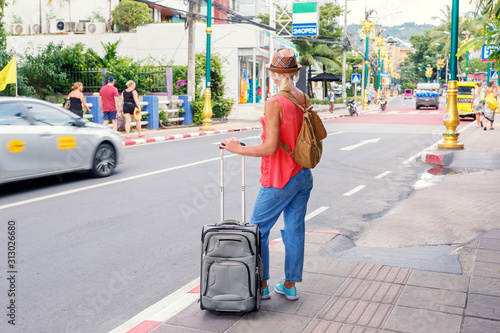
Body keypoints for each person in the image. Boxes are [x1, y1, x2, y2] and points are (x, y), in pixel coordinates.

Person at [220, 48, 313, 301]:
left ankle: (261, 286)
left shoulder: (274, 102)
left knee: (257, 231)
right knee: (294, 229)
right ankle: (290, 285)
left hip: (279, 177)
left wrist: (237, 149)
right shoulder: (302, 97)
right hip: (303, 174)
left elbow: (271, 147)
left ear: (273, 73)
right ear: (295, 72)